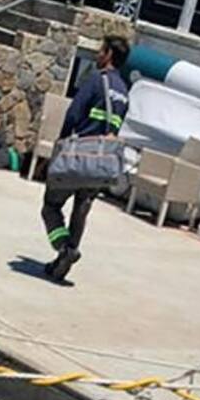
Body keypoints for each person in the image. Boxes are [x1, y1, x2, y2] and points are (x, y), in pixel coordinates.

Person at [40, 34, 130, 285]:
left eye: (101, 50)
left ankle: (64, 249)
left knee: (51, 206)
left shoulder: (96, 80)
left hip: (78, 156)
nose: (98, 54)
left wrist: (59, 147)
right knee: (81, 210)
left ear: (110, 54)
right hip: (101, 163)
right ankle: (62, 264)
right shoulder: (124, 91)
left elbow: (73, 115)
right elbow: (115, 127)